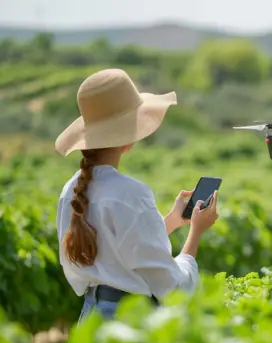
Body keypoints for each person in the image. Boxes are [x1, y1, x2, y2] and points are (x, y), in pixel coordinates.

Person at [54, 68, 218, 324]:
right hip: (128, 323)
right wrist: (195, 231)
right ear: (129, 137)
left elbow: (118, 254)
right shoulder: (131, 193)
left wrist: (173, 221)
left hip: (90, 321)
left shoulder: (70, 191)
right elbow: (174, 287)